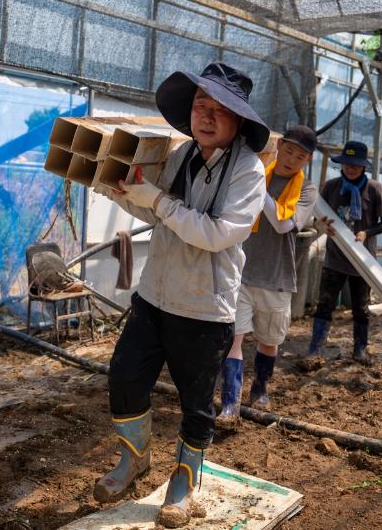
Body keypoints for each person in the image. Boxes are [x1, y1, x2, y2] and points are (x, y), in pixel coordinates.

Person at [93, 62, 267, 528]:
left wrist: (154, 198)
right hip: (154, 296)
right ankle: (134, 459)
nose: (205, 116)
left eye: (219, 110)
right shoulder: (182, 155)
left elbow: (216, 234)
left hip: (205, 310)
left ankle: (184, 484)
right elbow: (158, 213)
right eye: (200, 105)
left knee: (196, 404)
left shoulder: (249, 171)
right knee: (125, 377)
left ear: (239, 121)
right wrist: (119, 191)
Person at [216, 125, 317, 428]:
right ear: (279, 146)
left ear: (307, 160)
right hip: (242, 272)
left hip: (277, 277)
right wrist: (257, 179)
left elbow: (283, 224)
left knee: (269, 341)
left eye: (299, 156)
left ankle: (260, 387)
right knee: (234, 337)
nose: (291, 159)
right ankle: (230, 403)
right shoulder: (257, 173)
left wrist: (257, 185)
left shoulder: (306, 190)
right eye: (288, 151)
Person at [305, 141, 382, 366]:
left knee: (361, 308)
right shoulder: (331, 187)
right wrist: (320, 225)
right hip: (335, 258)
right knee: (325, 304)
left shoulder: (374, 189)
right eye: (346, 164)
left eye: (355, 165)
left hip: (363, 260)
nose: (350, 168)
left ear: (363, 166)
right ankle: (315, 348)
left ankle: (360, 349)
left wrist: (366, 232)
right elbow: (317, 217)